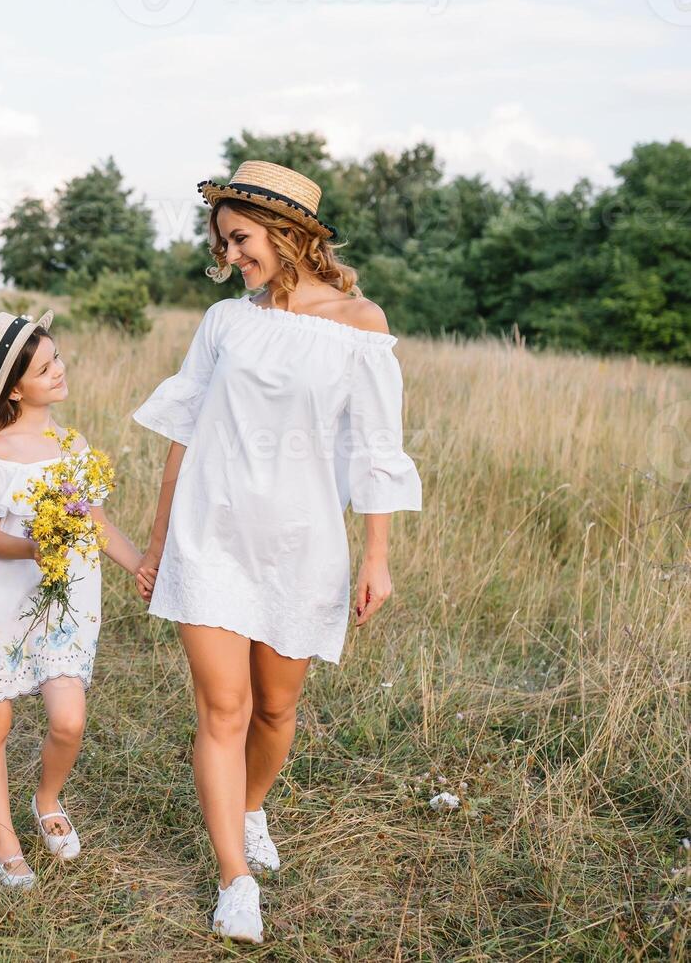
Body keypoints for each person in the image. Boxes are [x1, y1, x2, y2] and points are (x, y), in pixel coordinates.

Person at [131, 161, 424, 943]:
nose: (230, 257)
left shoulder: (360, 323)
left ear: (289, 234)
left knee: (275, 707)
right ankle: (235, 882)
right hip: (210, 536)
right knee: (222, 710)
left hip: (303, 545)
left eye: (240, 239)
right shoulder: (225, 322)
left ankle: (252, 806)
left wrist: (378, 555)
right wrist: (159, 544)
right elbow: (183, 434)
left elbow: (375, 447)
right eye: (223, 243)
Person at [0, 307, 151, 889]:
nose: (59, 371)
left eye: (57, 359)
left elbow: (96, 524)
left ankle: (46, 798)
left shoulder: (71, 442)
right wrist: (35, 549)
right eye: (45, 366)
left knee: (69, 720)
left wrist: (139, 566)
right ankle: (4, 841)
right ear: (14, 388)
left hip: (59, 605)